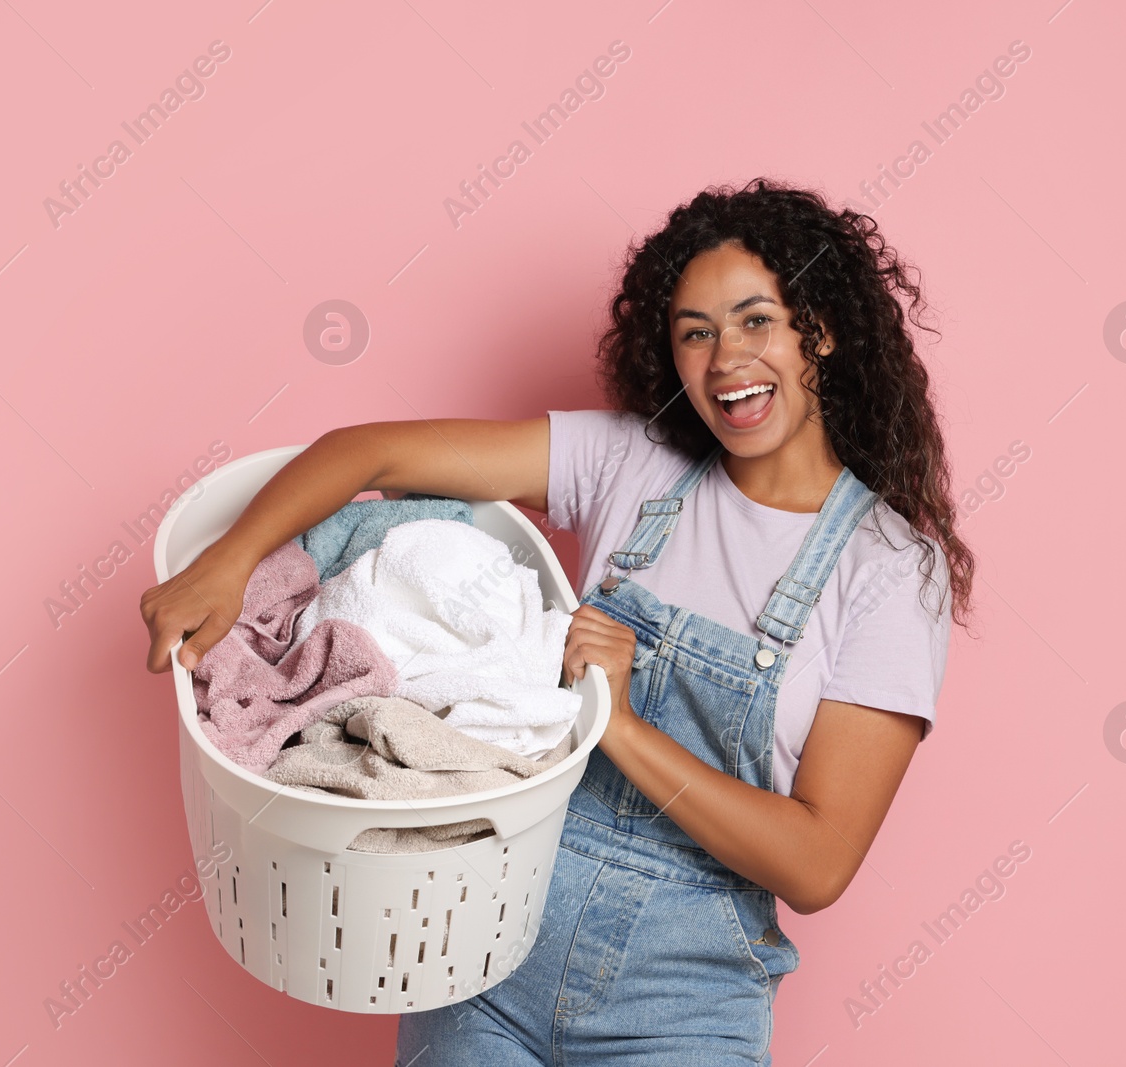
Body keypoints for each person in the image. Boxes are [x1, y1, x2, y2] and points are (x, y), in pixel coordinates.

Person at [140, 177, 975, 1065]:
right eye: (695, 331)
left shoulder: (889, 571)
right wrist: (228, 565)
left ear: (824, 328)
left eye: (755, 319)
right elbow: (371, 451)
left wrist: (609, 722)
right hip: (484, 941)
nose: (726, 357)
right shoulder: (630, 462)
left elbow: (816, 861)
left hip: (684, 1002)